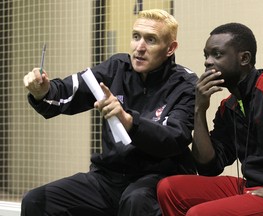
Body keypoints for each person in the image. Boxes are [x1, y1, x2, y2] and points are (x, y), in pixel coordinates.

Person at [22, 9, 198, 216]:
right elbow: (69, 91)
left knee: (135, 200)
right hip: (109, 177)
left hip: (156, 178)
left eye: (151, 40)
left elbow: (173, 139)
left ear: (170, 48)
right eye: (136, 37)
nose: (139, 47)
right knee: (36, 201)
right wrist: (44, 91)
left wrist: (129, 120)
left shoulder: (186, 84)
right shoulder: (116, 68)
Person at [157, 22, 263, 215]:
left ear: (244, 58)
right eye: (206, 55)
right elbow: (208, 166)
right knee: (168, 188)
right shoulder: (228, 107)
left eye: (217, 54)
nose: (207, 62)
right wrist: (199, 109)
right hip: (252, 187)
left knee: (199, 214)